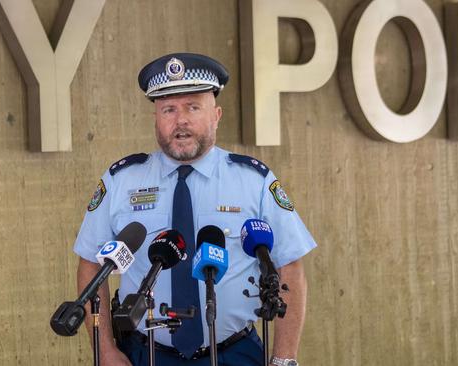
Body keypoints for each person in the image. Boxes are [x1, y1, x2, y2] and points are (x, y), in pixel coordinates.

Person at [74, 53, 316, 366]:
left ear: (216, 115)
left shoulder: (253, 180)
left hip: (235, 354)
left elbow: (289, 268)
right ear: (156, 118)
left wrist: (284, 359)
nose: (181, 120)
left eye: (193, 107)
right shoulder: (121, 180)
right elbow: (91, 266)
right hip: (144, 354)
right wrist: (105, 351)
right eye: (169, 109)